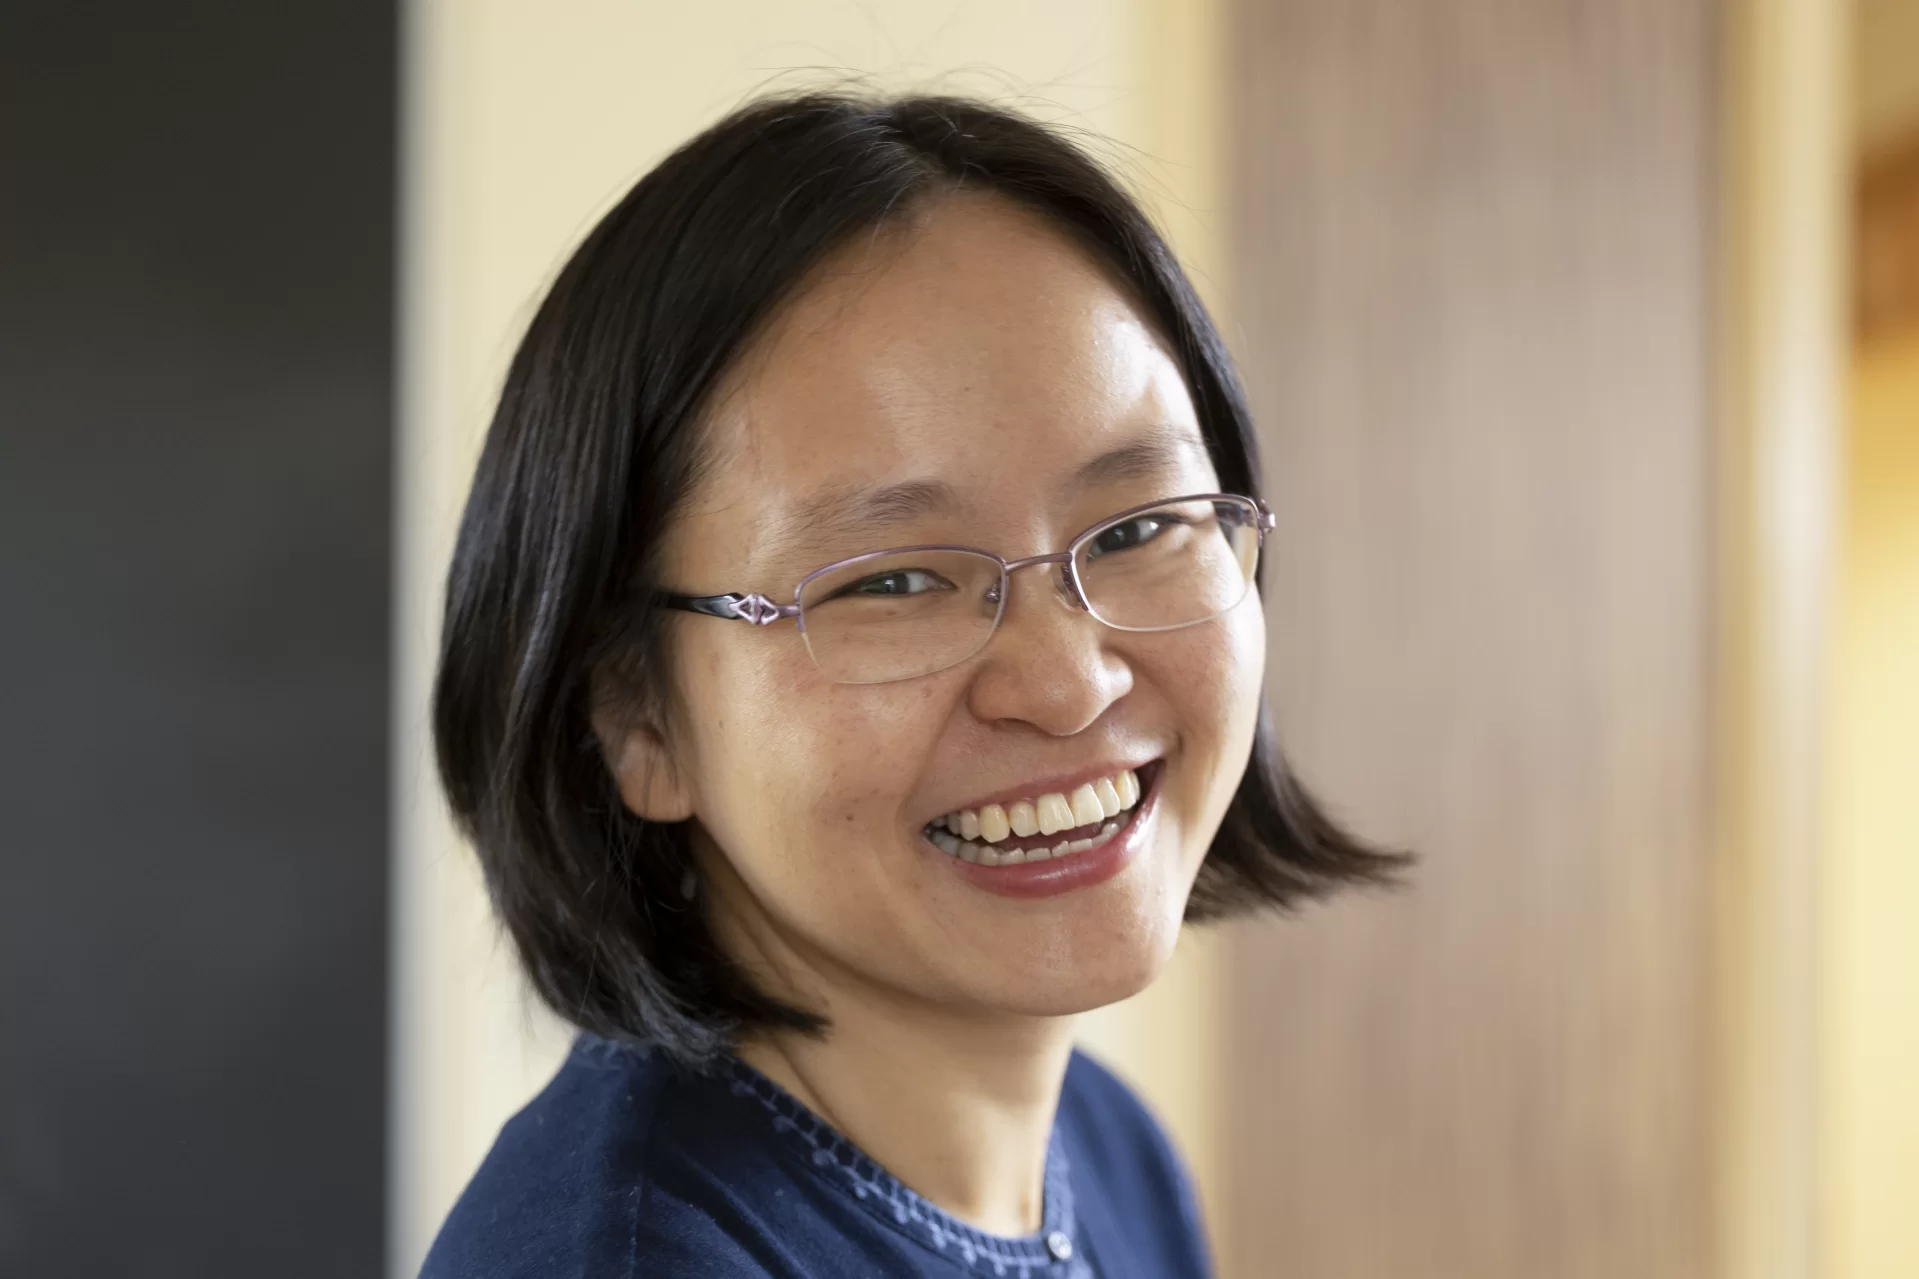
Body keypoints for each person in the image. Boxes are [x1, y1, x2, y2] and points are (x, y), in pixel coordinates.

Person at [422, 91, 1401, 1278]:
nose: (1066, 679)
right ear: (636, 715)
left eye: (1141, 526)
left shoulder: (1105, 1150)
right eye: (890, 584)